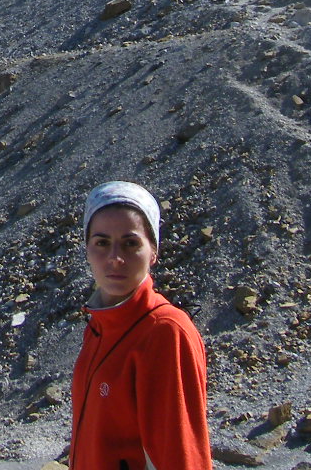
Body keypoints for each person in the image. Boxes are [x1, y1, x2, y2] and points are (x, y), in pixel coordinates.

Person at [68, 181, 211, 470]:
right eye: (102, 242)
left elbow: (181, 454)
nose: (115, 258)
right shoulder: (100, 325)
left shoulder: (165, 331)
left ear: (153, 252)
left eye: (131, 243)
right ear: (87, 249)